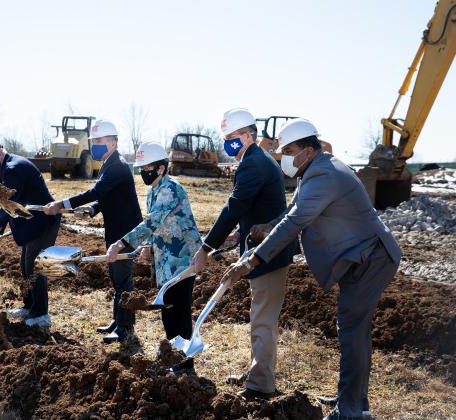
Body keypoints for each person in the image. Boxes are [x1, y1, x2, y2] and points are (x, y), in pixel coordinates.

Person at [220, 118, 402, 420]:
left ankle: (351, 410)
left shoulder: (324, 175)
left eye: (289, 150)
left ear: (307, 148)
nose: (286, 157)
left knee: (352, 333)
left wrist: (252, 260)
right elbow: (292, 211)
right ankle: (355, 401)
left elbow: (295, 222)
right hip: (361, 258)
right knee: (355, 334)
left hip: (372, 259)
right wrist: (268, 225)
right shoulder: (315, 170)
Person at [192, 108, 297, 400]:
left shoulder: (253, 163)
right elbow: (259, 205)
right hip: (261, 244)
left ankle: (260, 385)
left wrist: (206, 248)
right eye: (225, 137)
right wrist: (240, 233)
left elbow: (234, 207)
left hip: (270, 251)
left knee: (263, 318)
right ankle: (256, 371)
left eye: (232, 137)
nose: (227, 143)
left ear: (248, 135)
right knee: (258, 314)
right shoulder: (256, 159)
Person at [44, 120, 142, 344]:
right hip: (117, 229)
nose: (95, 145)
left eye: (100, 141)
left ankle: (125, 327)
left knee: (123, 279)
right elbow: (106, 196)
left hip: (126, 232)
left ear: (113, 142)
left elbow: (97, 190)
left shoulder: (118, 165)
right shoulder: (109, 164)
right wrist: (93, 208)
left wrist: (62, 204)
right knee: (117, 278)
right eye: (93, 141)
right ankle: (118, 321)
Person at [105, 142, 201, 369]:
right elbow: (157, 226)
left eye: (147, 167)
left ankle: (185, 362)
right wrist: (148, 247)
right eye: (140, 168)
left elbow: (151, 222)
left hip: (183, 258)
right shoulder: (153, 192)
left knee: (178, 309)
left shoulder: (170, 189)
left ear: (160, 168)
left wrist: (120, 243)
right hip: (166, 260)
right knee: (167, 309)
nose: (143, 172)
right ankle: (173, 357)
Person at [0, 136, 61, 328]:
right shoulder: (8, 166)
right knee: (25, 265)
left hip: (43, 223)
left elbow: (6, 206)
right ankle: (29, 305)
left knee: (35, 267)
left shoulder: (13, 169)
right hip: (32, 222)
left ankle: (41, 314)